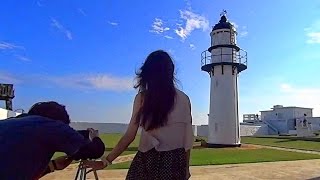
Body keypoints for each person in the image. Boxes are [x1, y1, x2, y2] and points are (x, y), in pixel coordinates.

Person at [84, 50, 194, 179]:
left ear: (147, 73)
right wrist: (186, 168)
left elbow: (129, 136)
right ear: (171, 72)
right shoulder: (184, 99)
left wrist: (106, 161)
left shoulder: (142, 98)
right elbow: (187, 140)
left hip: (147, 162)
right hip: (175, 164)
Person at [0, 101, 105, 179]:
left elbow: (14, 169)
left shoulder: (10, 123)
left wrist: (52, 166)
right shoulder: (52, 125)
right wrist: (94, 136)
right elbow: (95, 150)